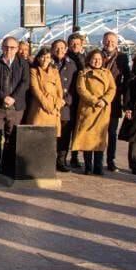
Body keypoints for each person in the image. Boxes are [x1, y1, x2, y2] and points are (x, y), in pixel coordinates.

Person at [0, 37, 28, 176]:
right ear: (2, 47)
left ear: (17, 48)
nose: (9, 50)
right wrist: (4, 97)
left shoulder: (23, 63)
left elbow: (25, 83)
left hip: (16, 108)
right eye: (6, 47)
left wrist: (13, 98)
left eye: (12, 47)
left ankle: (9, 166)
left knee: (12, 138)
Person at [71, 49, 117, 176]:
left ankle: (98, 165)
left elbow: (112, 88)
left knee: (100, 138)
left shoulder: (107, 73)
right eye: (94, 59)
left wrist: (105, 100)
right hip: (89, 109)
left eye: (99, 59)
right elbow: (81, 89)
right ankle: (88, 165)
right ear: (89, 59)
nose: (97, 61)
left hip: (103, 110)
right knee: (88, 138)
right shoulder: (83, 73)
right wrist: (94, 100)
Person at [100, 31, 130, 172]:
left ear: (117, 43)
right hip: (98, 100)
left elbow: (127, 78)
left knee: (112, 132)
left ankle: (110, 160)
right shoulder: (97, 56)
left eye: (112, 41)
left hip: (114, 101)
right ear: (103, 41)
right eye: (107, 41)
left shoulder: (122, 58)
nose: (109, 43)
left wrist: (123, 95)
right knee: (98, 131)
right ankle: (96, 159)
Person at [51, 39, 79, 172]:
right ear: (52, 49)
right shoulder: (47, 62)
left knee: (65, 135)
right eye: (56, 48)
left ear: (66, 49)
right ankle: (49, 160)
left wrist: (65, 100)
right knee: (50, 134)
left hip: (66, 106)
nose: (59, 50)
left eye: (62, 48)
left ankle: (61, 161)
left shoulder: (72, 64)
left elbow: (75, 86)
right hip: (51, 105)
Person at [25, 47, 63, 136]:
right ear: (38, 58)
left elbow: (59, 90)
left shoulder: (55, 71)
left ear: (50, 59)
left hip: (54, 109)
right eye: (42, 57)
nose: (45, 59)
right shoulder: (33, 71)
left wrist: (57, 105)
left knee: (50, 138)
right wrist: (48, 106)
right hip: (40, 107)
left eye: (48, 57)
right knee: (37, 136)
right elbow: (35, 89)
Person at [66, 33, 87, 169]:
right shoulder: (65, 58)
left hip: (82, 99)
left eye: (77, 44)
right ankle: (61, 157)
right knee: (67, 128)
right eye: (72, 44)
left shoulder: (85, 58)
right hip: (68, 98)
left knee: (78, 129)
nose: (75, 46)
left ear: (82, 45)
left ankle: (74, 156)